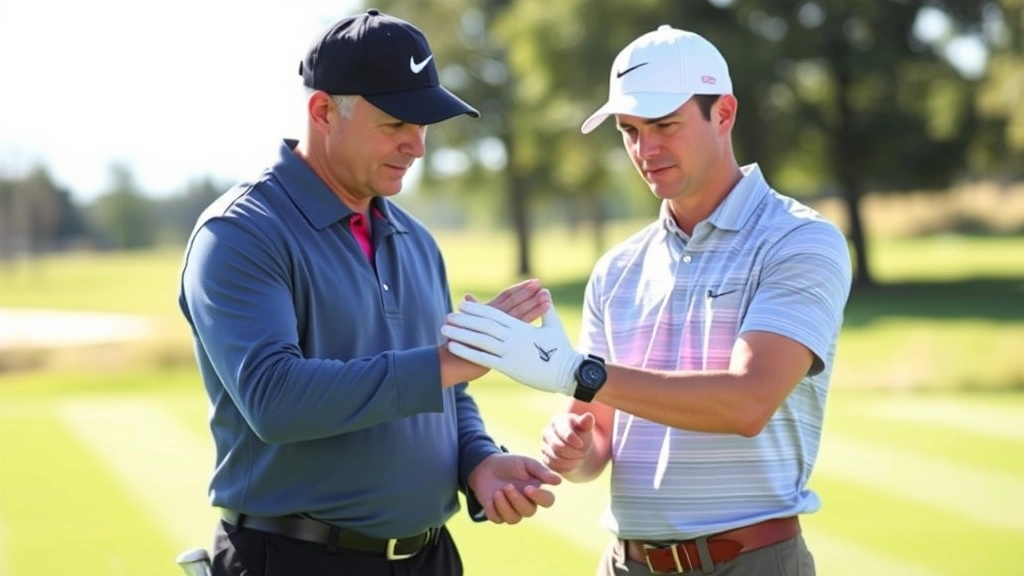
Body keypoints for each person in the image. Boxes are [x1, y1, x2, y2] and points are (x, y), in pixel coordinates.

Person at [441, 24, 852, 576]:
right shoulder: (617, 269)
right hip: (625, 564)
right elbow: (599, 437)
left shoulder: (798, 239)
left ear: (724, 113)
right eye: (629, 130)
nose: (645, 149)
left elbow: (748, 402)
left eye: (665, 125)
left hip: (749, 561)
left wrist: (577, 373)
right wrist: (572, 447)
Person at [177, 9, 562, 576]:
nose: (418, 146)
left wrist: (477, 460)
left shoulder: (417, 240)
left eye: (423, 123)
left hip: (429, 558)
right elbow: (274, 400)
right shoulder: (240, 232)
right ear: (323, 111)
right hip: (292, 560)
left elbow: (446, 395)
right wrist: (445, 363)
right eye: (394, 123)